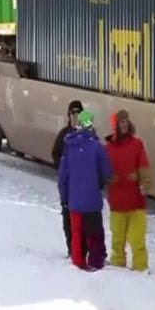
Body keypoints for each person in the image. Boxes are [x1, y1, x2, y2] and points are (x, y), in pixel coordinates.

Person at [58, 110, 112, 271]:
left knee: (77, 234)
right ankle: (96, 263)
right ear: (91, 124)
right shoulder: (97, 147)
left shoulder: (69, 147)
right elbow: (106, 172)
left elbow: (63, 176)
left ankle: (78, 262)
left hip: (74, 202)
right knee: (94, 235)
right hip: (91, 201)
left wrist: (64, 197)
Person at [105, 109, 151, 272]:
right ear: (115, 126)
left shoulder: (137, 144)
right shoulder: (107, 149)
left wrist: (144, 182)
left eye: (125, 121)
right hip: (117, 203)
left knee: (137, 239)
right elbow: (103, 173)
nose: (124, 125)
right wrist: (109, 180)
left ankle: (141, 267)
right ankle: (118, 265)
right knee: (117, 239)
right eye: (120, 122)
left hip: (136, 201)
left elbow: (144, 166)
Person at [51, 100, 85, 257]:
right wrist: (65, 168)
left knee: (84, 220)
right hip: (68, 186)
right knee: (68, 219)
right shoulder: (64, 135)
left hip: (84, 185)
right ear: (68, 115)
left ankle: (83, 250)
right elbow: (55, 154)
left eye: (78, 113)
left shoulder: (88, 135)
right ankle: (72, 250)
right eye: (73, 113)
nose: (75, 116)